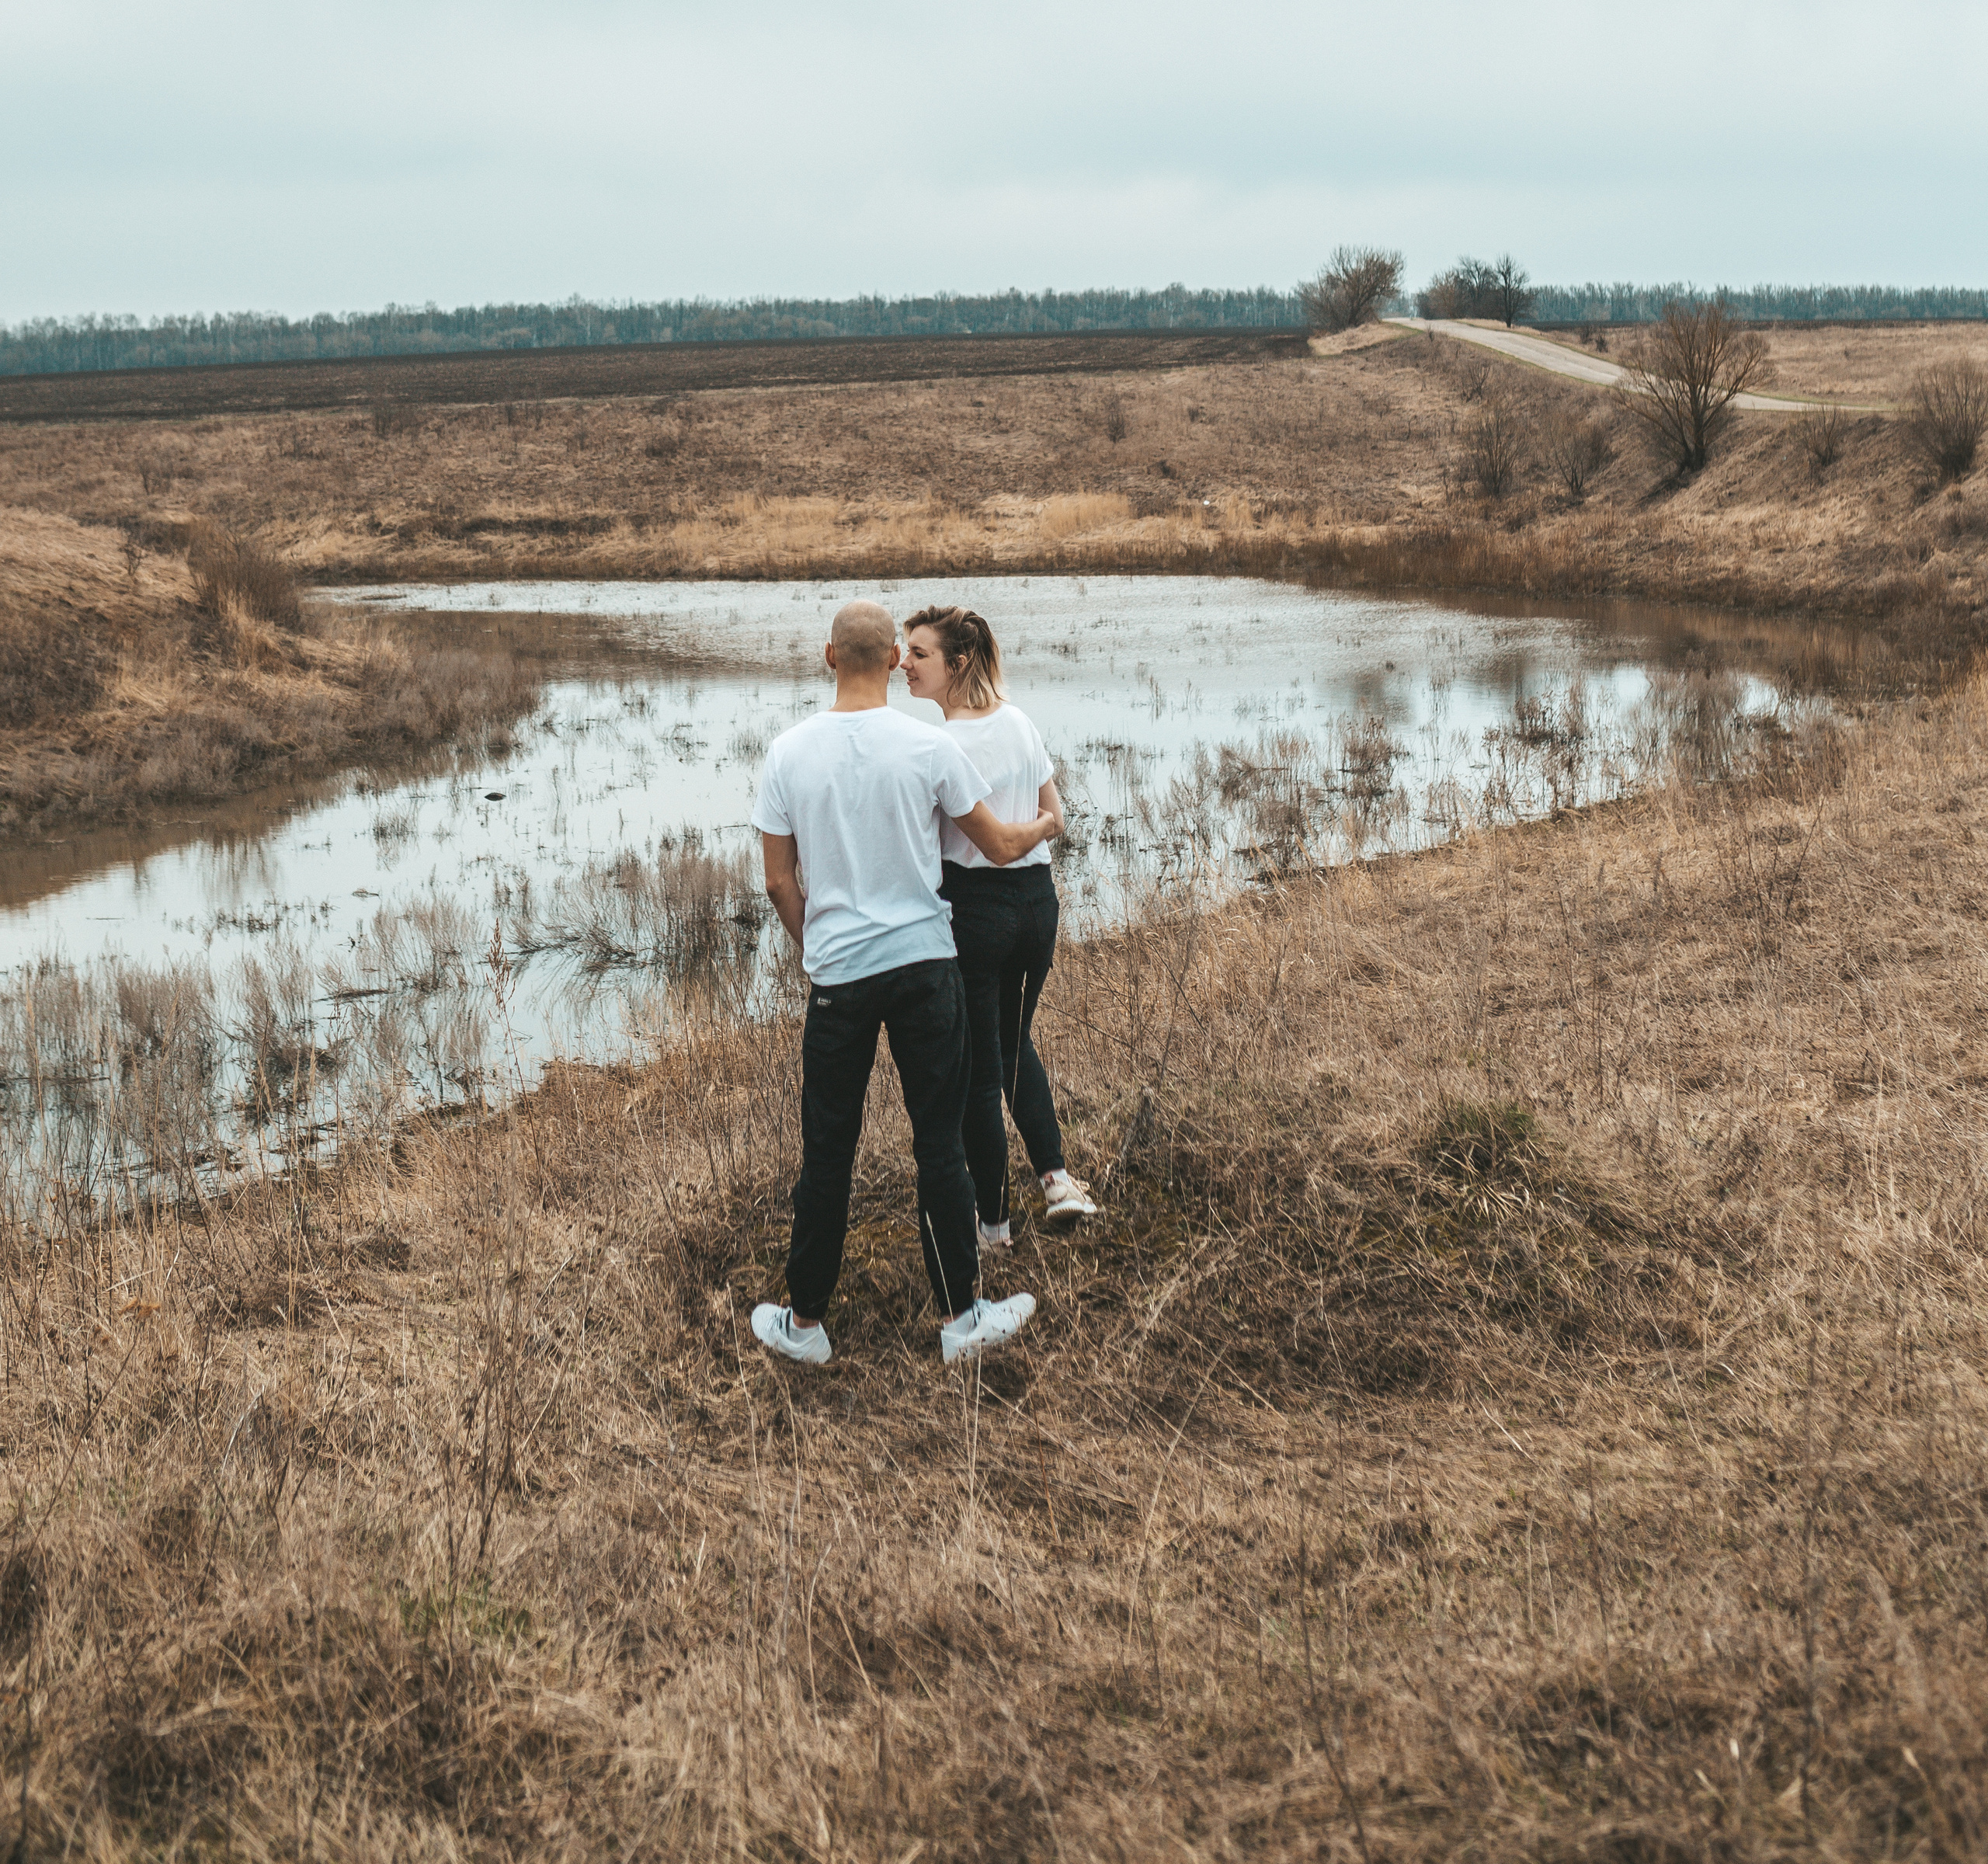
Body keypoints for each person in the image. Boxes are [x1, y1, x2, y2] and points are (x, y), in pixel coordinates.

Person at [749, 599, 1058, 1367]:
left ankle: (807, 1324)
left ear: (828, 657)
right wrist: (1049, 822)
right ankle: (962, 1318)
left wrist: (813, 942)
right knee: (939, 1142)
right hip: (926, 966)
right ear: (891, 659)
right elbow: (997, 844)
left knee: (828, 1149)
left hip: (840, 976)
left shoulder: (786, 755)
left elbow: (779, 883)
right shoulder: (929, 747)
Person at [900, 605, 1097, 1248]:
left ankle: (994, 1226)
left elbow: (961, 846)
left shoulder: (940, 746)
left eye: (919, 654)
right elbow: (1057, 816)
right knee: (1013, 1044)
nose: (904, 663)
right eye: (904, 651)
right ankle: (1058, 1182)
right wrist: (1034, 829)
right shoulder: (1018, 720)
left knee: (980, 1070)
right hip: (1037, 905)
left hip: (977, 910)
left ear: (957, 664)